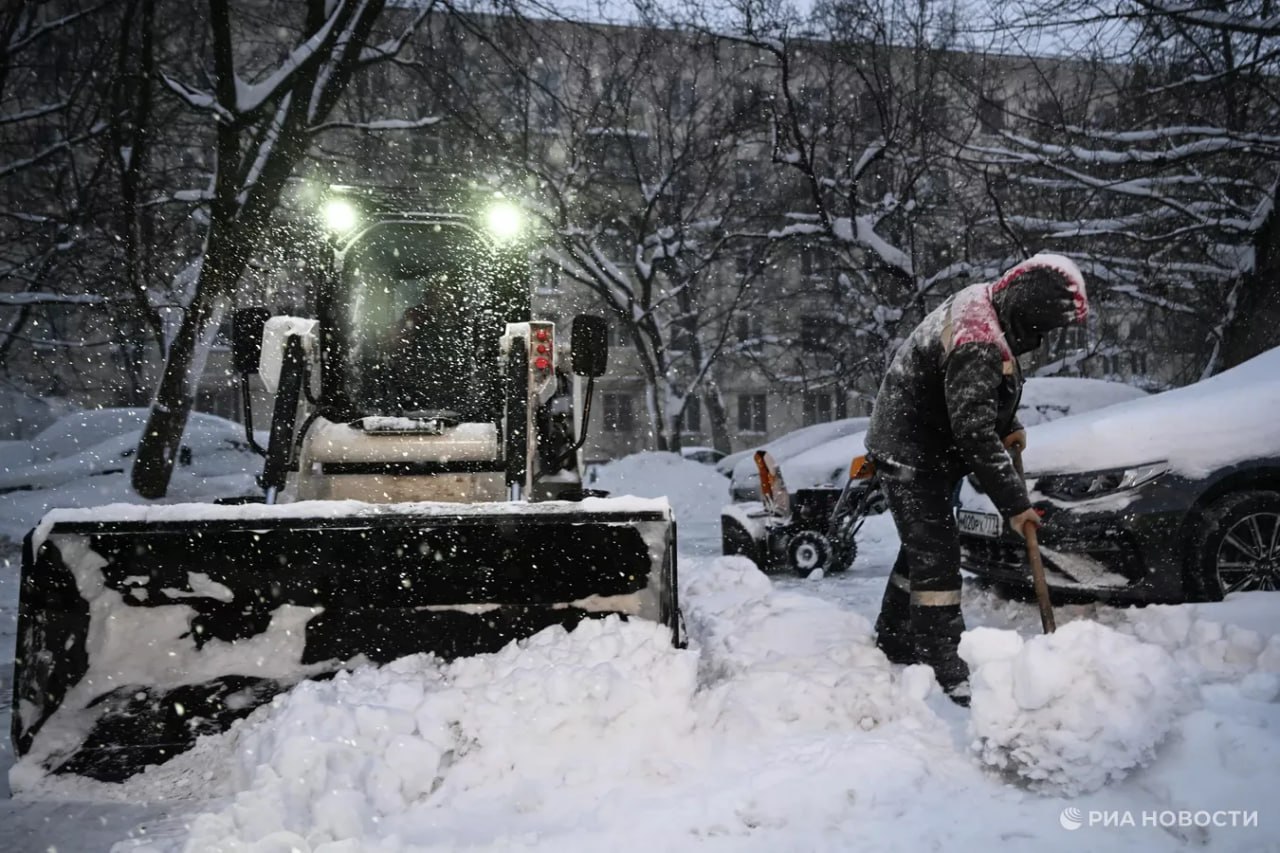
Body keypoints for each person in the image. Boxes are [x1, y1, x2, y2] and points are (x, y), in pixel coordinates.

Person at [864, 253, 1089, 705]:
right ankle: (946, 665)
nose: (1043, 339)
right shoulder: (978, 341)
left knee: (922, 548)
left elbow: (979, 397)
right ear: (1025, 313)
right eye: (1043, 327)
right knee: (937, 560)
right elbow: (971, 431)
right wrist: (1014, 504)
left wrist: (1008, 422)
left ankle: (893, 637)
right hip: (914, 455)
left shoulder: (986, 304)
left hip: (921, 445)